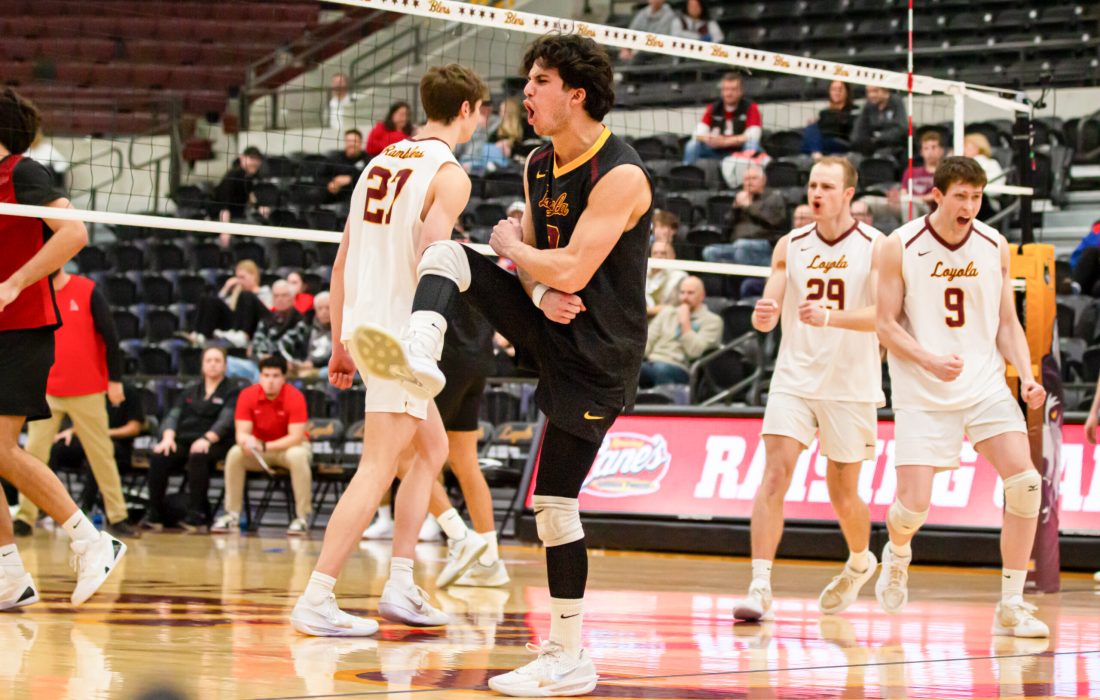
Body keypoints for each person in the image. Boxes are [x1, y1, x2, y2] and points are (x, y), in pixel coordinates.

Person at [354, 35, 653, 696]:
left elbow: (573, 264)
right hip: (545, 324)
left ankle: (569, 655)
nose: (527, 92)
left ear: (576, 94)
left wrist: (516, 245)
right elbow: (544, 273)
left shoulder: (622, 173)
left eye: (539, 80)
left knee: (552, 504)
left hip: (598, 357)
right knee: (452, 257)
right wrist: (534, 277)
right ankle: (417, 354)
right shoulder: (537, 163)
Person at [289, 63, 488, 638]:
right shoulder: (448, 175)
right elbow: (434, 258)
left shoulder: (378, 162)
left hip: (367, 329)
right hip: (404, 336)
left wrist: (341, 342)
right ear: (470, 109)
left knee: (430, 449)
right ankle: (318, 595)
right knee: (378, 466)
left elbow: (342, 259)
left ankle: (401, 584)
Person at [876, 156, 1048, 637]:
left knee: (1026, 484)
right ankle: (899, 553)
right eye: (961, 196)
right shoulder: (900, 245)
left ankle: (1011, 604)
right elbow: (885, 324)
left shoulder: (995, 244)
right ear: (938, 195)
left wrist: (1026, 376)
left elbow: (1007, 323)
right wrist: (928, 359)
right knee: (912, 511)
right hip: (922, 390)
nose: (970, 205)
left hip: (984, 384)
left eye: (977, 196)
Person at [731, 157, 884, 621]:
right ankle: (759, 586)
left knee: (844, 495)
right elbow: (772, 302)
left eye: (827, 186)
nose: (816, 193)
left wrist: (832, 317)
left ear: (848, 194)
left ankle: (861, 561)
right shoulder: (791, 243)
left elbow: (886, 318)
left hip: (850, 383)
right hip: (795, 378)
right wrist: (765, 314)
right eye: (813, 185)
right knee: (774, 475)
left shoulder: (877, 246)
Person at [0, 87, 126, 609]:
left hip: (22, 327)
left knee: (2, 449)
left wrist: (17, 282)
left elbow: (74, 233)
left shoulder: (22, 172)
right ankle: (9, 576)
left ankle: (91, 540)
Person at [16, 267, 138, 539]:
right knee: (32, 454)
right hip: (47, 389)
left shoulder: (87, 290)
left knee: (101, 454)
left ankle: (118, 516)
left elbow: (111, 336)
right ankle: (25, 517)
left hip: (88, 389)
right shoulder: (36, 292)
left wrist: (115, 380)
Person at [213, 354, 313, 536]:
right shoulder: (247, 395)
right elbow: (241, 432)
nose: (270, 381)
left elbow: (296, 437)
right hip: (260, 450)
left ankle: (302, 517)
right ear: (259, 376)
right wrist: (245, 441)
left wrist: (265, 446)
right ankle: (232, 514)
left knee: (298, 456)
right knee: (235, 453)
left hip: (288, 448)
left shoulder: (295, 396)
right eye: (266, 375)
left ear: (284, 378)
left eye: (275, 376)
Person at [144, 346, 237, 532]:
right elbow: (173, 415)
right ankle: (154, 513)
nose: (212, 364)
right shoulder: (190, 390)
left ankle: (197, 514)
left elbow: (226, 420)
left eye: (217, 360)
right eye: (208, 360)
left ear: (225, 366)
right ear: (202, 365)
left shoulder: (232, 391)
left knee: (198, 456)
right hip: (185, 439)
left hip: (216, 443)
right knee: (160, 454)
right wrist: (168, 437)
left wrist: (207, 438)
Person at [48, 379, 143, 518]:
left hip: (118, 443)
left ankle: (86, 511)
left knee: (97, 455)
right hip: (90, 437)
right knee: (56, 448)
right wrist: (71, 431)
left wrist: (105, 433)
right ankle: (48, 507)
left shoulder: (129, 390)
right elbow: (84, 422)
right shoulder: (91, 388)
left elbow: (134, 428)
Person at [640, 275, 721, 387]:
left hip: (681, 368)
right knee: (629, 370)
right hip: (652, 363)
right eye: (682, 293)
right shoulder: (667, 313)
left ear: (702, 296)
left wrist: (685, 323)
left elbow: (695, 352)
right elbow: (647, 341)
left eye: (690, 293)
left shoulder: (712, 321)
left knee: (661, 370)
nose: (685, 297)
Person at [701, 165, 787, 267]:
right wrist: (735, 209)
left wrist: (749, 207)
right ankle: (734, 275)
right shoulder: (740, 199)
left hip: (763, 244)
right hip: (736, 245)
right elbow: (726, 229)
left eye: (753, 178)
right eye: (746, 179)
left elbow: (774, 221)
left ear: (763, 180)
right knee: (709, 252)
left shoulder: (773, 197)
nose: (749, 182)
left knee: (742, 247)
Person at [683, 72, 763, 165]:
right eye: (726, 89)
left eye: (733, 89)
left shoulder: (750, 107)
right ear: (721, 91)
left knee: (752, 145)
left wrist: (725, 142)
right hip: (716, 151)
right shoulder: (713, 108)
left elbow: (753, 136)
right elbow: (697, 134)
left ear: (741, 91)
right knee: (692, 145)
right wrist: (709, 139)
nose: (729, 93)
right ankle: (687, 175)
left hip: (740, 151)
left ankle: (750, 176)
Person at [193, 259, 272, 341]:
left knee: (247, 295)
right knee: (208, 299)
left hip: (255, 325)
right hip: (235, 326)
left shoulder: (264, 291)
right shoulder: (237, 293)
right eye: (237, 277)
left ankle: (243, 335)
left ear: (253, 276)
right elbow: (220, 307)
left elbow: (268, 312)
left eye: (242, 277)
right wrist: (225, 289)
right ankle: (201, 334)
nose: (239, 281)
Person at [251, 280, 311, 363]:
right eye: (276, 296)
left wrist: (266, 354)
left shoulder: (300, 321)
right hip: (263, 364)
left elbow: (284, 347)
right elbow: (255, 347)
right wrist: (263, 356)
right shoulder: (266, 320)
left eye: (284, 295)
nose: (280, 299)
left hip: (291, 366)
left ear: (292, 298)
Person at [802, 80, 855, 159]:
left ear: (847, 92)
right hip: (822, 141)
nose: (837, 92)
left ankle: (816, 154)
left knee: (812, 132)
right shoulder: (824, 112)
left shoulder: (853, 110)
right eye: (833, 89)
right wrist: (817, 122)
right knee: (811, 127)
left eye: (840, 89)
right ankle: (817, 154)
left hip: (840, 142)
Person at [850, 86, 907, 158]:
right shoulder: (869, 105)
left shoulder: (896, 101)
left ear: (885, 91)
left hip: (895, 147)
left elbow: (902, 128)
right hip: (873, 146)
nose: (871, 95)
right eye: (868, 92)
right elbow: (860, 127)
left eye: (875, 91)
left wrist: (879, 137)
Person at [214, 147, 264, 222]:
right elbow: (224, 206)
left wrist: (260, 208)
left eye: (257, 159)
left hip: (238, 216)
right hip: (223, 218)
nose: (255, 162)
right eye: (252, 158)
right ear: (242, 158)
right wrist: (225, 231)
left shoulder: (249, 178)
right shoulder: (234, 174)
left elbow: (251, 198)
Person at [293, 291, 332, 379]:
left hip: (326, 370)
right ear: (315, 310)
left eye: (328, 308)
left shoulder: (341, 329)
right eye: (320, 308)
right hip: (305, 367)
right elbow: (297, 350)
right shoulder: (307, 326)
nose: (324, 312)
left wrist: (313, 364)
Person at [646, 238, 686, 318]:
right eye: (655, 253)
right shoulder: (644, 273)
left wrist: (648, 311)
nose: (658, 256)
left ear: (673, 256)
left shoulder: (680, 277)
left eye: (663, 253)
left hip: (667, 320)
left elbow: (675, 307)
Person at [325, 129, 368, 205]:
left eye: (354, 141)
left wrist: (350, 179)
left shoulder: (369, 160)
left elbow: (370, 179)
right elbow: (320, 175)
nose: (351, 144)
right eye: (348, 141)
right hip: (336, 197)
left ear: (361, 143)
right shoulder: (335, 159)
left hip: (359, 198)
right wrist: (331, 183)